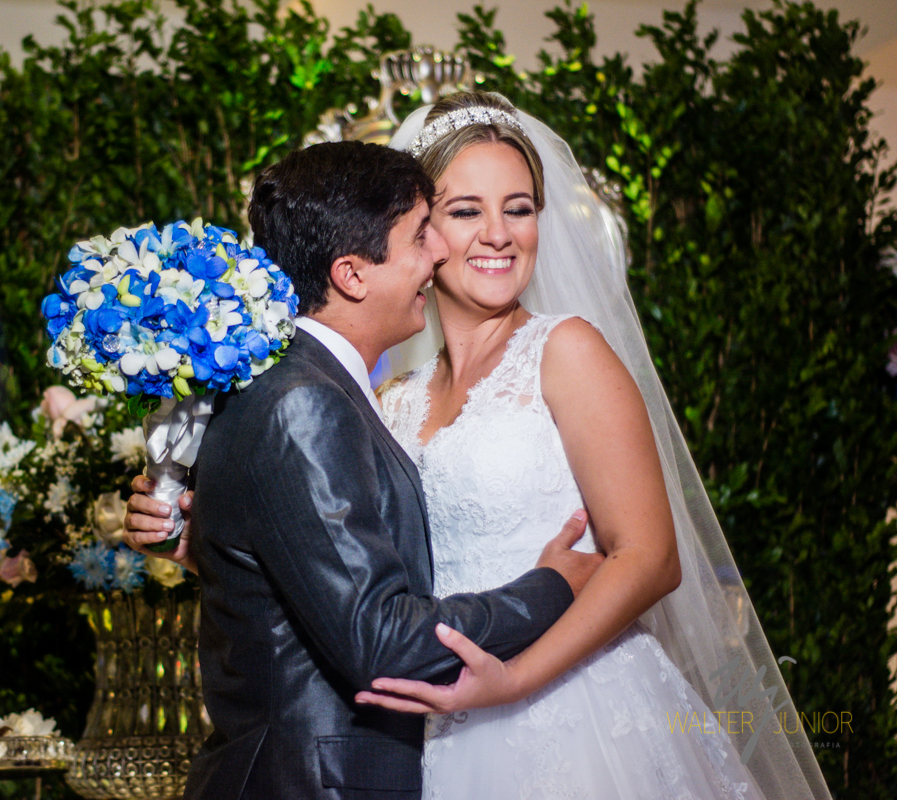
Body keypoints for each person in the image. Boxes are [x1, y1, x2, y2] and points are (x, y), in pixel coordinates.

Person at [130, 93, 831, 800]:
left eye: (519, 208)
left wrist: (515, 681)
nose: (498, 234)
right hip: (425, 725)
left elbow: (649, 558)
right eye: (465, 211)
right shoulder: (388, 398)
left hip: (570, 706)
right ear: (418, 232)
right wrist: (213, 534)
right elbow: (342, 566)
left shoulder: (568, 352)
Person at [126, 139, 604, 800]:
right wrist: (551, 586)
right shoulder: (305, 403)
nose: (438, 254)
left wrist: (200, 541)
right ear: (352, 274)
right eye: (419, 236)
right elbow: (380, 639)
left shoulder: (311, 388)